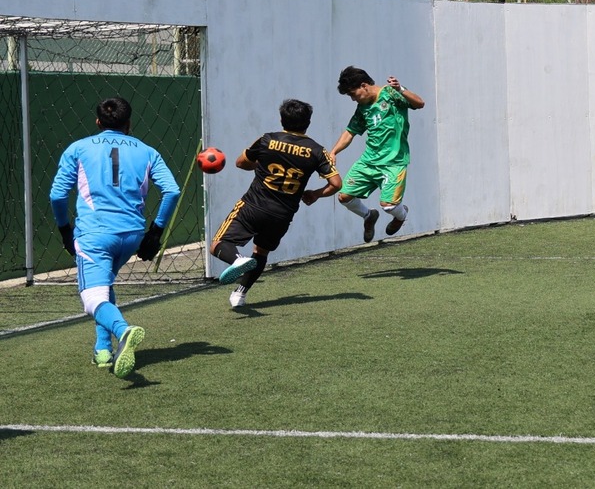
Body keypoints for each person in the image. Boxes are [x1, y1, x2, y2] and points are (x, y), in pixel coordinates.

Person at [49, 97, 180, 377]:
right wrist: (155, 233)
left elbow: (57, 195)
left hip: (94, 234)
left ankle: (123, 330)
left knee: (91, 297)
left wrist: (64, 230)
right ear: (129, 123)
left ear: (98, 122)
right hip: (131, 235)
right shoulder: (147, 151)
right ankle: (103, 350)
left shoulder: (79, 148)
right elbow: (172, 191)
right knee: (104, 286)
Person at [209, 99, 342, 308]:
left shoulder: (267, 139)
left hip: (253, 206)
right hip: (282, 215)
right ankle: (240, 294)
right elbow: (336, 184)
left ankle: (236, 260)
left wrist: (263, 166)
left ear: (282, 120)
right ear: (308, 122)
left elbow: (240, 163)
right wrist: (315, 194)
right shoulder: (317, 151)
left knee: (218, 244)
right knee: (261, 252)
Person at [331, 66, 425, 243]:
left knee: (389, 206)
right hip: (369, 161)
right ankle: (368, 216)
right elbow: (350, 132)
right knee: (344, 197)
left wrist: (401, 89)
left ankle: (401, 216)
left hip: (394, 162)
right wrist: (334, 151)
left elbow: (419, 103)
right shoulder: (362, 107)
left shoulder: (391, 93)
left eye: (353, 94)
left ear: (364, 85)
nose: (352, 99)